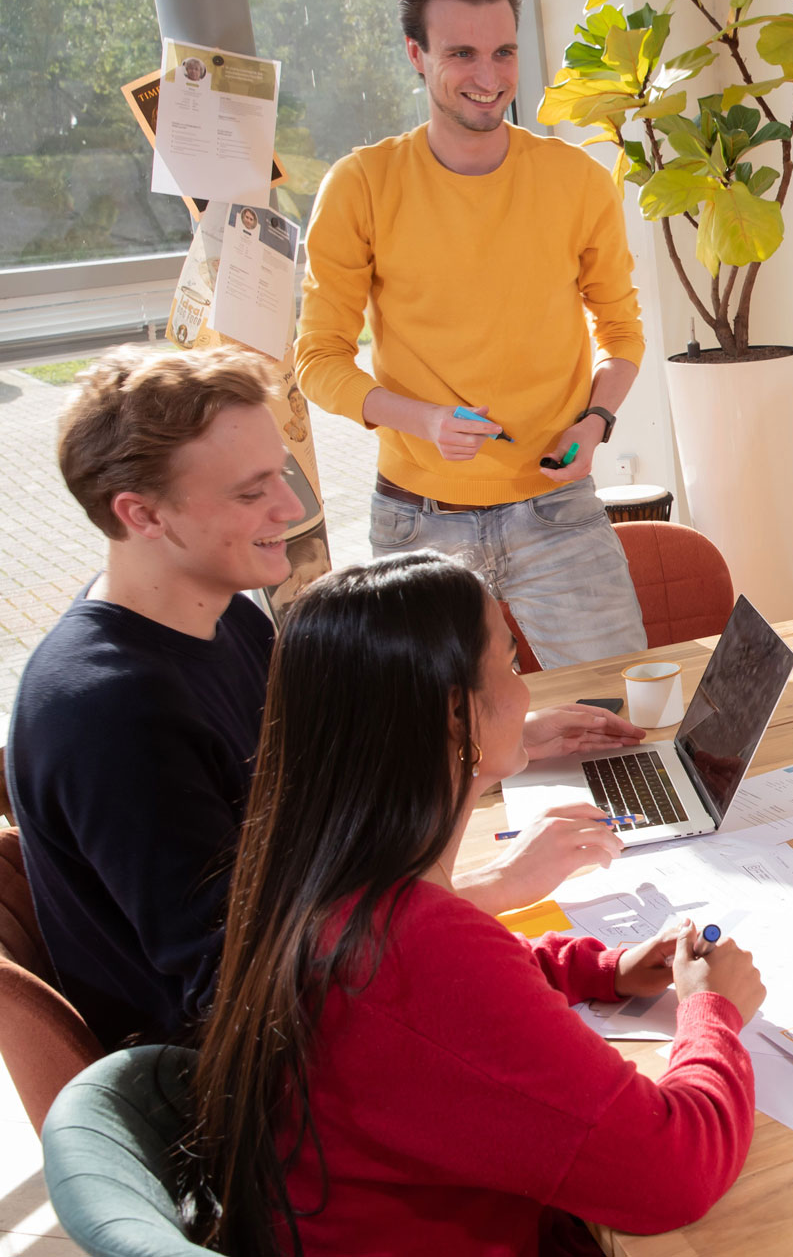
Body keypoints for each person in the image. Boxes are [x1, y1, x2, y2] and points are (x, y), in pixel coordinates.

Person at [7, 344, 640, 1051]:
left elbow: (313, 794)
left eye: (281, 473)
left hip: (324, 977)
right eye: (252, 493)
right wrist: (488, 892)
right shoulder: (110, 716)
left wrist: (489, 736)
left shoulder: (223, 615)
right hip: (247, 1074)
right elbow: (240, 984)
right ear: (143, 515)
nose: (292, 506)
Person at [185, 552, 764, 1254]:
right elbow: (673, 1177)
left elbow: (442, 1022)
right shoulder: (416, 946)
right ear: (456, 716)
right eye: (511, 665)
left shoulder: (312, 873)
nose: (525, 694)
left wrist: (599, 970)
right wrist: (714, 1012)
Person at [294, 0, 648, 669]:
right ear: (415, 54)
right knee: (431, 755)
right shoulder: (360, 185)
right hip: (417, 523)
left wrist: (596, 419)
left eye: (504, 51)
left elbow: (622, 333)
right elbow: (318, 361)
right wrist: (422, 420)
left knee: (620, 719)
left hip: (558, 509)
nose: (488, 78)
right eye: (460, 53)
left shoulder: (576, 181)